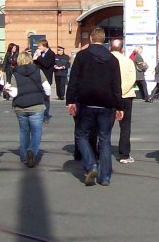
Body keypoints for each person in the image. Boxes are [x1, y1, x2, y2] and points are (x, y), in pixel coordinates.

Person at [66, 27, 123, 186]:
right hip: (107, 104)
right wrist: (120, 106)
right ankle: (105, 177)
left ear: (91, 39)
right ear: (104, 40)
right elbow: (116, 85)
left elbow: (74, 80)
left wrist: (70, 100)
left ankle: (91, 165)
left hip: (87, 102)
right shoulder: (112, 59)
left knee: (81, 135)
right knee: (105, 139)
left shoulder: (82, 56)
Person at [7, 50, 50, 167]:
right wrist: (45, 95)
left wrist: (8, 89)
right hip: (36, 105)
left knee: (24, 131)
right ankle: (32, 150)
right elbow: (47, 87)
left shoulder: (15, 73)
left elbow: (14, 93)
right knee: (37, 131)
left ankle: (24, 156)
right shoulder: (38, 70)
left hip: (20, 107)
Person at [111, 39, 138, 164]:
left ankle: (101, 151)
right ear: (122, 49)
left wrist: (113, 92)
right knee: (125, 126)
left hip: (109, 97)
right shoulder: (128, 61)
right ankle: (124, 154)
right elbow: (132, 79)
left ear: (110, 48)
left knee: (105, 126)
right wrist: (121, 91)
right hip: (126, 96)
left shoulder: (105, 60)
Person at [33, 39, 56, 122]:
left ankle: (45, 115)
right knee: (39, 97)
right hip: (38, 77)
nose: (38, 48)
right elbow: (36, 64)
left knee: (46, 97)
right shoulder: (40, 53)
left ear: (44, 46)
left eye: (39, 46)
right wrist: (35, 57)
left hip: (46, 78)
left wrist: (39, 57)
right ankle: (39, 114)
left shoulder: (51, 54)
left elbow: (46, 64)